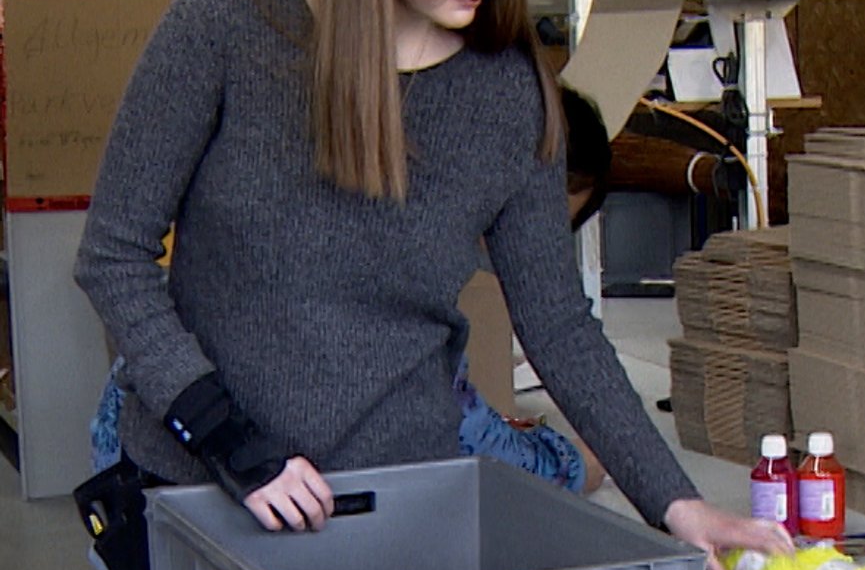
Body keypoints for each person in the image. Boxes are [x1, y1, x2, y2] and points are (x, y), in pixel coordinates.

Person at [73, 0, 788, 570]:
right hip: (205, 496)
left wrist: (674, 500)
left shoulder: (508, 96)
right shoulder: (232, 26)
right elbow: (115, 257)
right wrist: (232, 442)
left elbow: (558, 325)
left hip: (400, 507)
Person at [86, 85, 616, 496]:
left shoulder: (371, 177)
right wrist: (575, 466)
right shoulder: (390, 244)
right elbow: (458, 434)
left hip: (159, 435)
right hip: (205, 474)